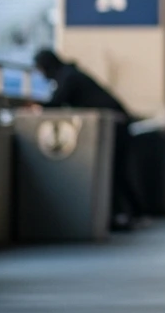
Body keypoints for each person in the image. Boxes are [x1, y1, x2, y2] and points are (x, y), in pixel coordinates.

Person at [32, 49, 145, 230]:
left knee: (113, 171)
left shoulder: (67, 78)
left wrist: (34, 108)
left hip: (114, 126)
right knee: (116, 171)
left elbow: (56, 104)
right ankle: (132, 213)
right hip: (117, 124)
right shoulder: (71, 74)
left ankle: (124, 215)